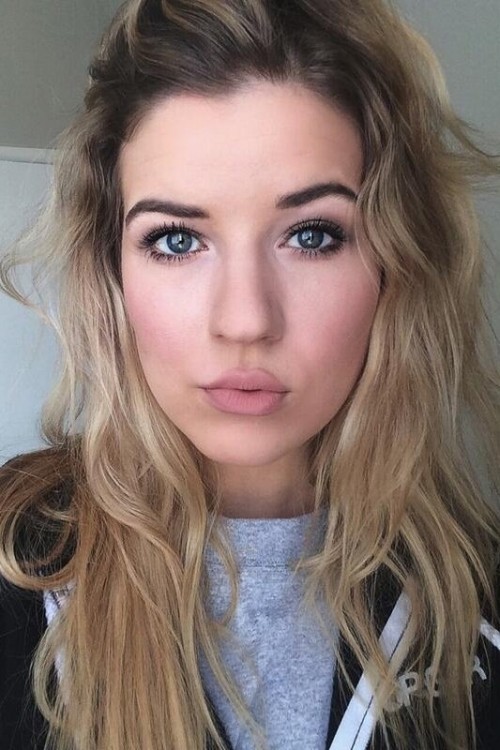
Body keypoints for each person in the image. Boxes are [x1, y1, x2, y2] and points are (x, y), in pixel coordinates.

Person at [1, 0, 499, 748]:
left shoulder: (474, 594)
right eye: (176, 239)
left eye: (312, 235)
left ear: (396, 266)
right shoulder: (19, 566)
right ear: (113, 274)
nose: (245, 320)